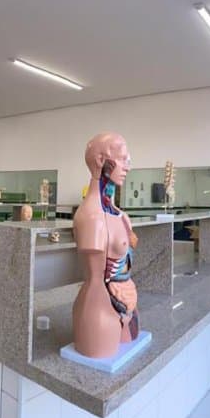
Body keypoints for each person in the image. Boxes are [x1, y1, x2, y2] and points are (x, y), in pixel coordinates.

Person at [72, 132, 140, 358]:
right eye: (122, 159)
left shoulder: (121, 215)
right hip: (99, 308)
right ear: (101, 160)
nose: (127, 166)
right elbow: (95, 278)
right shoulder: (92, 217)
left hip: (129, 300)